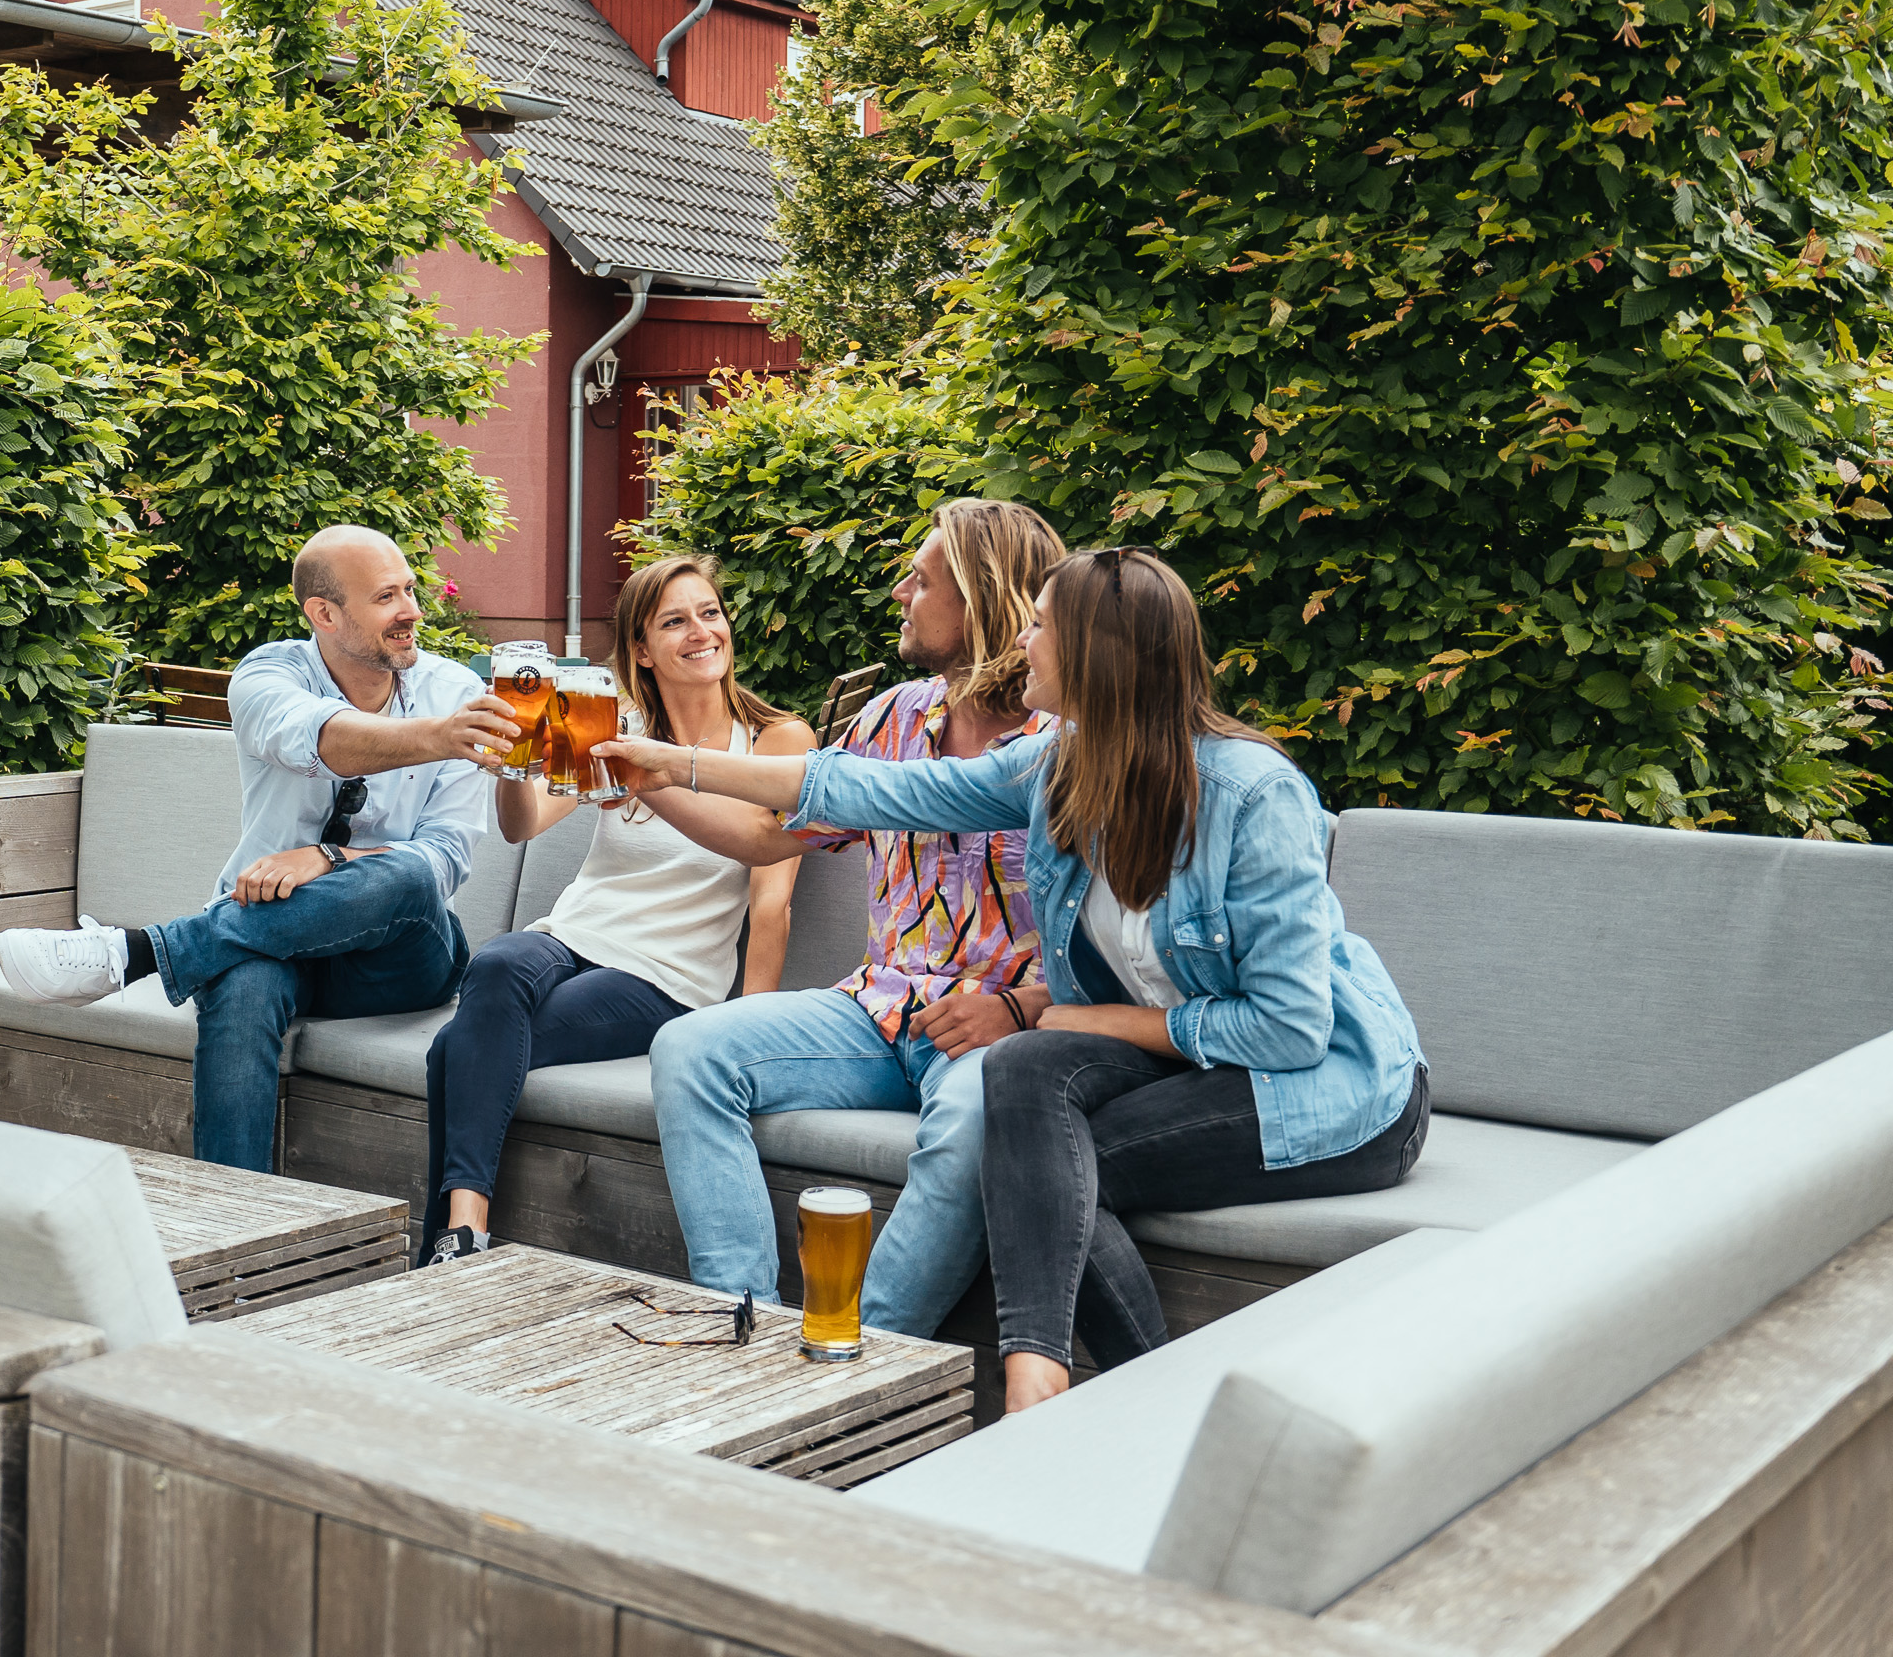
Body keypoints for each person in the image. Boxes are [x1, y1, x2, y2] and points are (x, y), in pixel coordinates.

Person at [597, 546, 1428, 1413]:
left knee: (1035, 1155)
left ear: (1095, 655)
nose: (1022, 642)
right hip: (1177, 1059)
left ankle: (874, 1377)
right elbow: (873, 788)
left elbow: (1289, 1030)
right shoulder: (1058, 766)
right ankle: (1047, 1387)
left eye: (1040, 627)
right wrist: (673, 765)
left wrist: (1085, 1018)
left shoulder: (1252, 795)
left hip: (1327, 1087)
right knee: (1036, 1132)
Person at [627, 499, 1069, 1336]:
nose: (900, 593)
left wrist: (1022, 1008)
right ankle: (740, 1321)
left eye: (922, 581)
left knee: (979, 1120)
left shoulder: (1071, 742)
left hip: (998, 1030)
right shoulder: (892, 716)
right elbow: (766, 837)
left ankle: (862, 1351)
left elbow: (1127, 943)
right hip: (875, 1013)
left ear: (980, 597)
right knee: (690, 1049)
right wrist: (646, 780)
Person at [0, 525, 518, 1173]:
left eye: (410, 590)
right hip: (270, 939)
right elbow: (322, 739)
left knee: (409, 873)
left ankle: (140, 952)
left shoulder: (454, 693)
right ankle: (232, 1216)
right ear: (324, 613)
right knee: (243, 983)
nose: (412, 610)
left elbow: (444, 859)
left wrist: (328, 858)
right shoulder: (267, 677)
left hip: (402, 960)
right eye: (387, 597)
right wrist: (438, 737)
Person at [415, 556, 814, 1266]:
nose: (702, 632)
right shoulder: (611, 726)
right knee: (498, 961)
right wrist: (511, 765)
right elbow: (523, 825)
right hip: (573, 936)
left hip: (668, 978)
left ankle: (453, 1239)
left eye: (710, 613)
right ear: (642, 649)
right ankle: (465, 1235)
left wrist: (744, 1035)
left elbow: (772, 902)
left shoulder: (776, 741)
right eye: (675, 621)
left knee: (456, 1046)